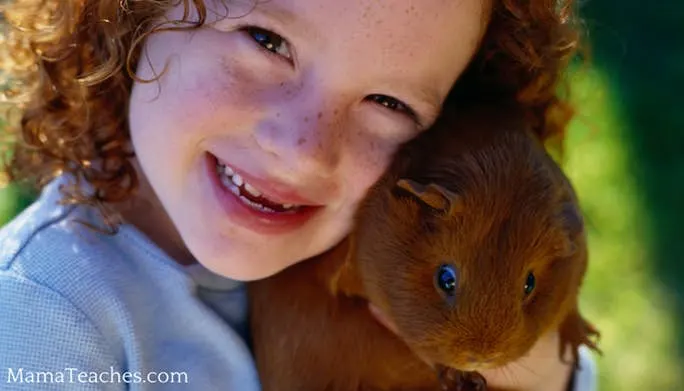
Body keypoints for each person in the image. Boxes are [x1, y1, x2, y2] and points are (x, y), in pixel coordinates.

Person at [0, 0, 597, 390]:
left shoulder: (379, 249)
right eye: (265, 39)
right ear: (135, 14)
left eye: (390, 103)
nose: (304, 147)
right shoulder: (43, 315)